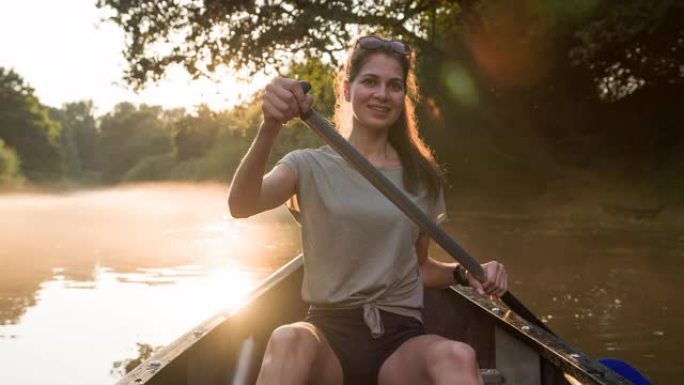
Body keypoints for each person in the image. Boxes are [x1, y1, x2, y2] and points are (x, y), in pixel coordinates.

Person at [228, 35, 508, 385]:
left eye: (394, 86)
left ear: (403, 97)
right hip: (329, 333)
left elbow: (418, 267)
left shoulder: (422, 178)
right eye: (370, 82)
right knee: (288, 338)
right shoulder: (307, 166)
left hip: (400, 339)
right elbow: (241, 205)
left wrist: (468, 272)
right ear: (347, 90)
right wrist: (269, 125)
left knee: (458, 355)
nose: (382, 94)